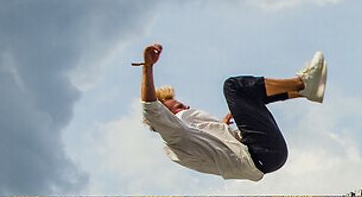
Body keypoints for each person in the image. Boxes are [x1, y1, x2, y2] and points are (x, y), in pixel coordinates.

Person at [138, 43, 326, 180]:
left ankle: (305, 92)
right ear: (166, 117)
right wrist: (148, 66)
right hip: (261, 153)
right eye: (179, 106)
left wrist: (225, 122)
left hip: (266, 157)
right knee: (233, 87)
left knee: (249, 96)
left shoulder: (185, 138)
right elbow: (150, 108)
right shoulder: (174, 134)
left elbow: (211, 145)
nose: (186, 107)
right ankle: (302, 83)